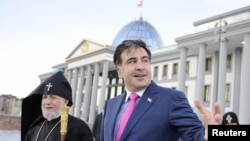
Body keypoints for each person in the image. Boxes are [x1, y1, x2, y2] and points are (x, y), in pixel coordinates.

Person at [100, 39, 221, 141]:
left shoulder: (172, 100)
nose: (141, 67)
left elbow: (195, 135)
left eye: (145, 60)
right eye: (132, 61)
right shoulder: (110, 105)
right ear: (120, 71)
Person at [21, 71, 94, 141]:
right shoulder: (35, 128)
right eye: (45, 97)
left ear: (65, 102)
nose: (47, 102)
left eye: (53, 97)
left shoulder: (79, 128)